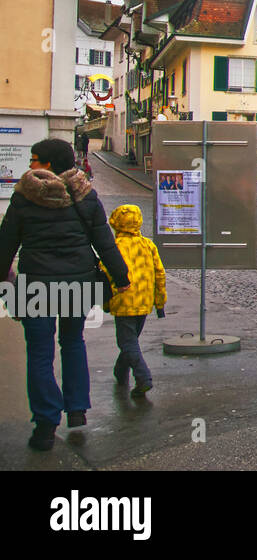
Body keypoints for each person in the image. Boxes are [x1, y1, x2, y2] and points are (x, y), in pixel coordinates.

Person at [0, 138, 129, 451]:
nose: (30, 166)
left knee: (40, 352)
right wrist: (121, 276)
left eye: (35, 160)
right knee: (72, 342)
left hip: (34, 287)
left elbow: (6, 246)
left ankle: (45, 424)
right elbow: (105, 242)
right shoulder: (85, 195)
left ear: (48, 164)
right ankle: (76, 409)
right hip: (78, 283)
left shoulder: (24, 197)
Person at [103, 204, 167, 397]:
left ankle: (143, 377)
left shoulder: (114, 247)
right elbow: (160, 274)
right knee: (131, 340)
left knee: (127, 341)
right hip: (144, 301)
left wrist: (106, 302)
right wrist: (159, 302)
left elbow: (106, 275)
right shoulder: (148, 245)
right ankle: (120, 371)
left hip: (123, 301)